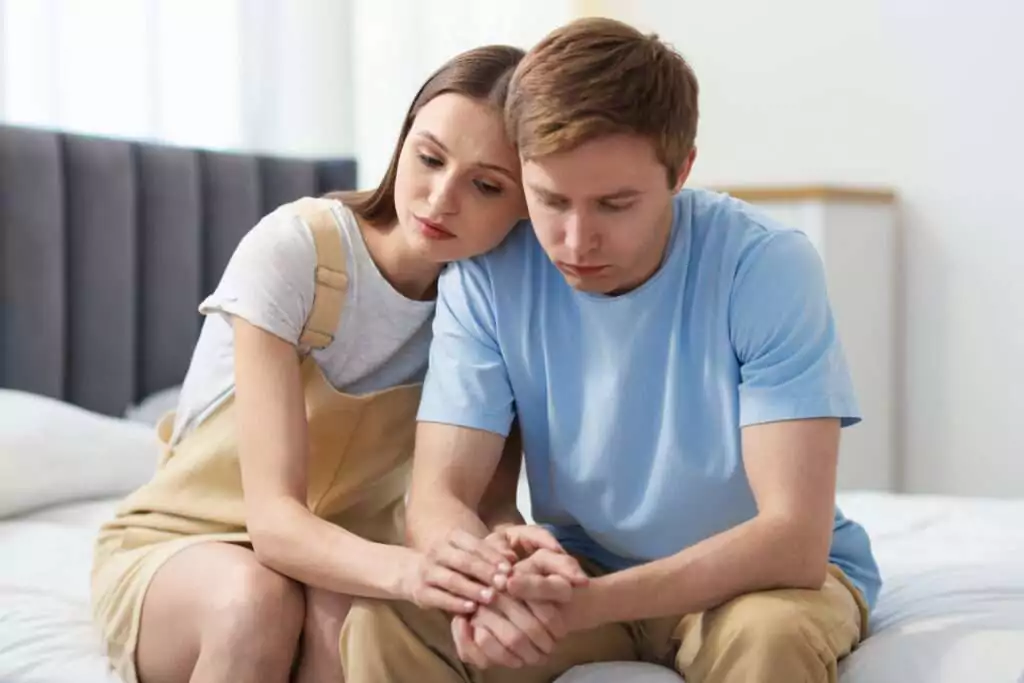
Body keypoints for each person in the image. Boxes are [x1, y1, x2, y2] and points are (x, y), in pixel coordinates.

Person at [339, 16, 883, 683]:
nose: (574, 240)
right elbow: (439, 497)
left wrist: (587, 604)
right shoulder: (486, 275)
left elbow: (794, 541)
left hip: (752, 585)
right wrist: (490, 572)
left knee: (766, 639)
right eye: (549, 200)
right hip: (583, 573)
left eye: (615, 205)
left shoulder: (765, 265)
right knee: (388, 619)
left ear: (681, 170)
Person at [89, 44, 561, 683]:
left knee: (359, 628)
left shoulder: (497, 307)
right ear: (402, 145)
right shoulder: (295, 251)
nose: (440, 198)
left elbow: (487, 504)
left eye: (485, 185)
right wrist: (409, 572)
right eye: (428, 158)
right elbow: (275, 526)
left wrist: (497, 562)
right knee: (255, 600)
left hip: (350, 561)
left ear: (525, 203)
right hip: (188, 548)